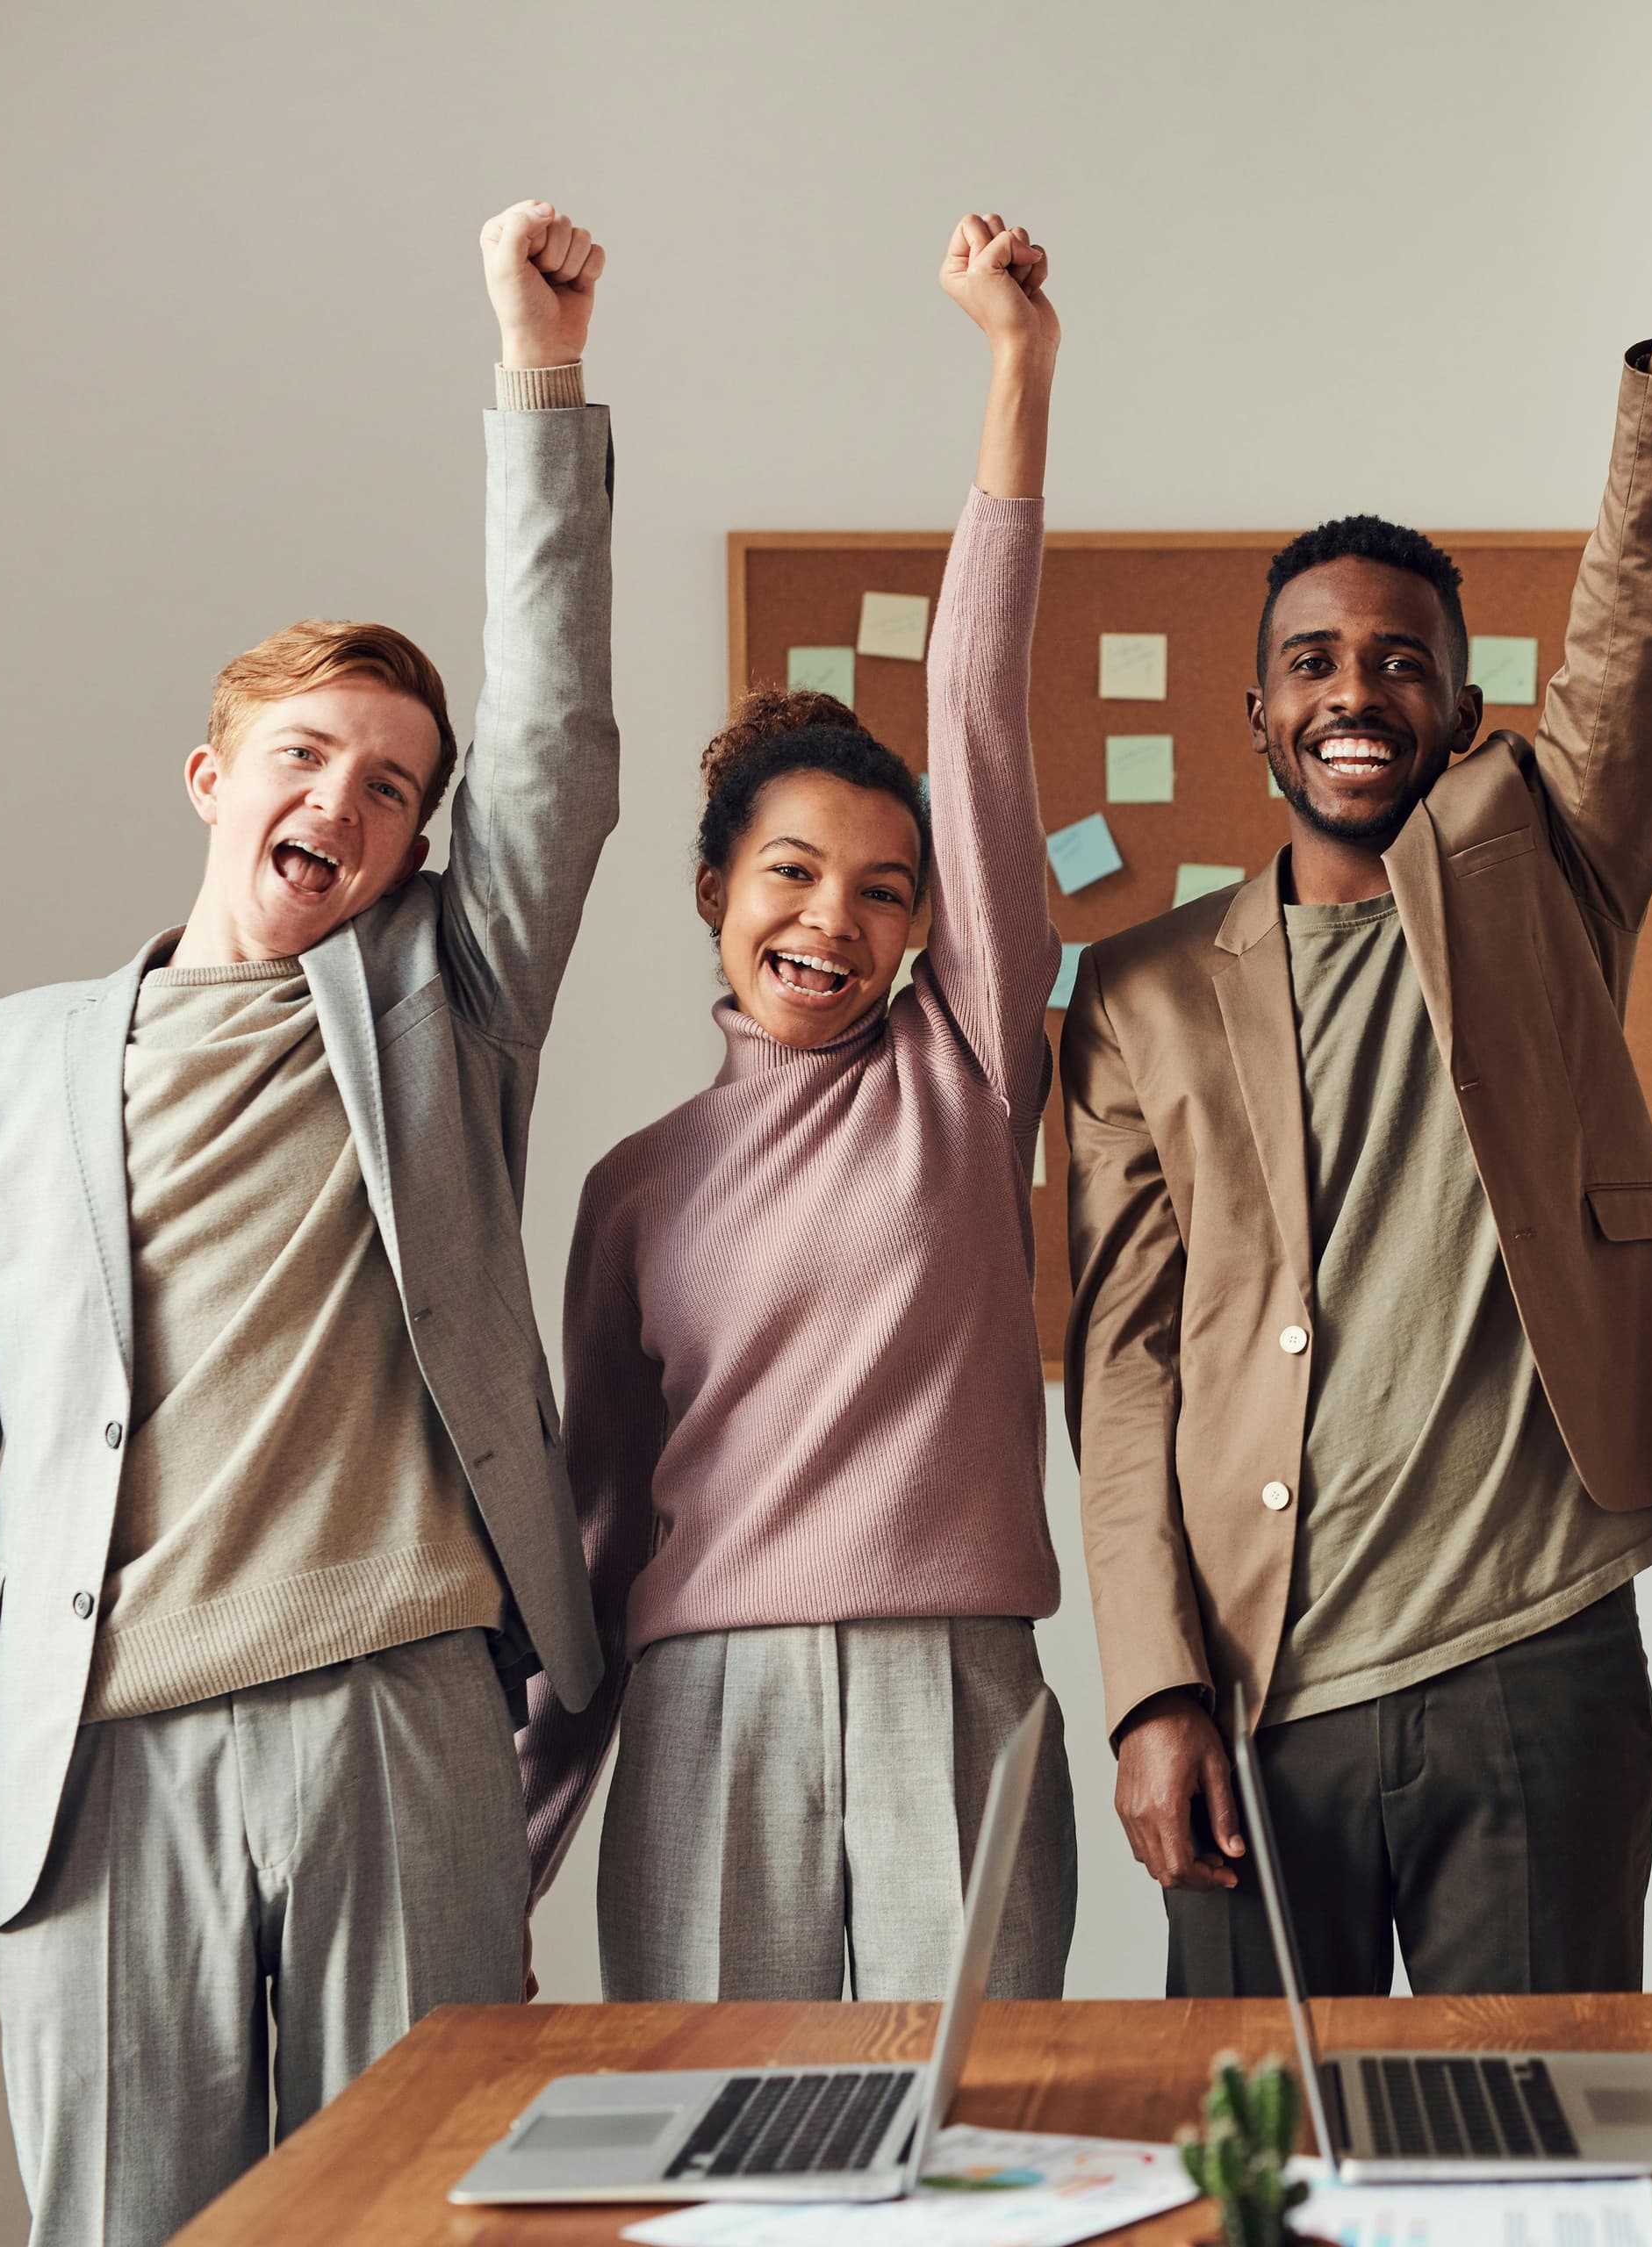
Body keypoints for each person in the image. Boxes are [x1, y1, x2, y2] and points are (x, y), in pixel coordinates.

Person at [0, 203, 621, 2243]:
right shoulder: (0, 1066)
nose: (350, 797)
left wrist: (541, 370)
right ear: (213, 773)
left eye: (399, 785)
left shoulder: (443, 1010)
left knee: (422, 2212)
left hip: (400, 1717)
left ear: (426, 845)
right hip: (108, 1750)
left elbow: (563, 746)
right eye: (309, 755)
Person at [1059, 28, 1652, 1999]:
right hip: (1256, 1682)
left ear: (1462, 706)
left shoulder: (1540, 859)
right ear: (1259, 712)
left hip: (1531, 1657)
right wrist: (1148, 1692)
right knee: (1249, 2165)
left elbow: (1648, 582)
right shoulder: (1134, 998)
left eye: (1400, 661)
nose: (1354, 688)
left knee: (1527, 2163)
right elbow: (1120, 1374)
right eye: (1311, 661)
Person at [515, 213, 1077, 2002]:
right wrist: (507, 1859)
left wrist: (1016, 366)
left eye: (886, 889)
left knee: (981, 2149)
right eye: (791, 873)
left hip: (958, 1685)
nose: (833, 920)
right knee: (714, 2154)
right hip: (703, 1710)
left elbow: (975, 711)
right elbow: (598, 1533)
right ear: (712, 889)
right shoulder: (635, 1187)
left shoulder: (969, 1074)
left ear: (931, 924)